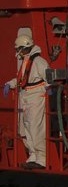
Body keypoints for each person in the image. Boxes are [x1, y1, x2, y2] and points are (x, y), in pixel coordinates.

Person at [4, 34, 49, 169]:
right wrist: (9, 84)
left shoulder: (39, 62)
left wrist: (48, 91)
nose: (18, 52)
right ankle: (33, 155)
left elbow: (48, 78)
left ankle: (42, 158)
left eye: (19, 49)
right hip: (26, 96)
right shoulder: (27, 61)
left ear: (25, 48)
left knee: (36, 127)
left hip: (36, 96)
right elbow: (22, 78)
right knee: (28, 127)